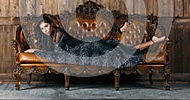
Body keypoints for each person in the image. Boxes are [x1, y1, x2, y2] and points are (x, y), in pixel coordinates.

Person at [25, 15, 167, 68]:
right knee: (125, 50)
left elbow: (57, 55)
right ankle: (153, 41)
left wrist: (36, 51)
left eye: (46, 26)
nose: (44, 29)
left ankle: (125, 31)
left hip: (89, 47)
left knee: (125, 53)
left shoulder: (59, 34)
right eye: (42, 28)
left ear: (51, 24)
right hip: (89, 46)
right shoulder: (53, 35)